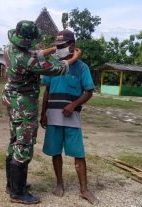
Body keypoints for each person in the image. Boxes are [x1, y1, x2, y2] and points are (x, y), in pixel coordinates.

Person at [1, 20, 81, 204]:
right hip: (24, 106)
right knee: (24, 144)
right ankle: (18, 193)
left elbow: (34, 54)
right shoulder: (28, 60)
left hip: (12, 101)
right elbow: (58, 68)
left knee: (14, 141)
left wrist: (51, 50)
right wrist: (73, 58)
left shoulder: (9, 50)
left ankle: (12, 185)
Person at [40, 29, 99, 205]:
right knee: (55, 152)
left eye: (61, 46)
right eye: (56, 46)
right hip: (53, 117)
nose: (58, 49)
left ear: (72, 46)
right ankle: (59, 184)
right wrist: (43, 114)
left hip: (72, 119)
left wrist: (74, 105)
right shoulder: (54, 65)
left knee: (78, 154)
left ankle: (84, 190)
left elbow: (88, 92)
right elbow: (47, 91)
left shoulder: (82, 67)